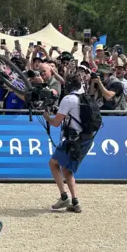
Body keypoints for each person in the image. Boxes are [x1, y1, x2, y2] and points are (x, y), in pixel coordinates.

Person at [43, 72, 90, 213]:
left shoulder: (68, 99)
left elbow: (56, 123)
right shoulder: (85, 97)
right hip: (85, 138)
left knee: (53, 163)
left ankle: (64, 197)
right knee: (66, 169)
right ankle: (75, 201)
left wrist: (47, 117)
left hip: (72, 139)